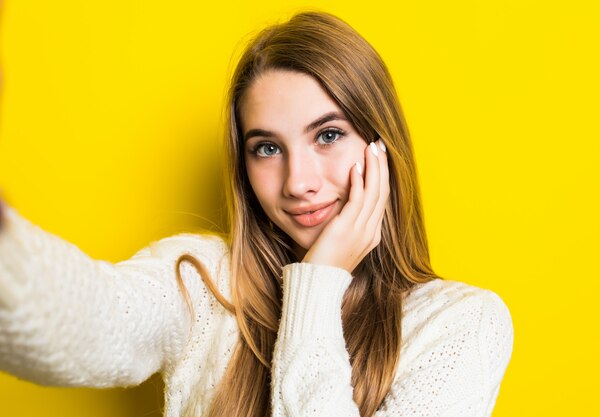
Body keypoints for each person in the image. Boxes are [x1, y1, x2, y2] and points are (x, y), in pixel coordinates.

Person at [0, 11, 513, 417]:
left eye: (328, 136)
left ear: (382, 145)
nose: (298, 182)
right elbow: (84, 324)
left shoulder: (461, 325)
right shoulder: (203, 278)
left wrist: (319, 280)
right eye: (267, 148)